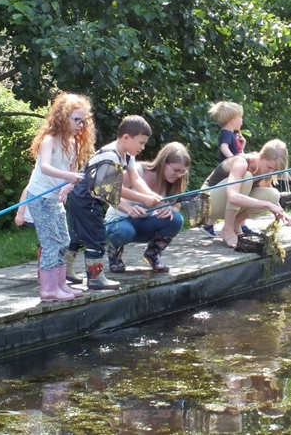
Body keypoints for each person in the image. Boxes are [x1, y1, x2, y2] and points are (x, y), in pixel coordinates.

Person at [65, 115, 162, 290]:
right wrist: (143, 199)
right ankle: (95, 278)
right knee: (96, 236)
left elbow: (136, 179)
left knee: (79, 235)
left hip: (95, 197)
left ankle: (66, 270)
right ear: (126, 137)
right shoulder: (109, 157)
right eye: (140, 142)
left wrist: (151, 195)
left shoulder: (127, 155)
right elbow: (112, 188)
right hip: (85, 198)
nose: (143, 147)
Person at [24, 92, 95, 302]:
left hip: (55, 199)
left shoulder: (73, 143)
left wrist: (68, 185)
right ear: (63, 117)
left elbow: (72, 172)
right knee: (51, 243)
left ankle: (61, 284)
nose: (80, 125)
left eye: (84, 121)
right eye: (77, 120)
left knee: (64, 240)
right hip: (40, 197)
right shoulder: (50, 140)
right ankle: (48, 289)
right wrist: (68, 177)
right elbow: (45, 167)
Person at [104, 142, 191, 273]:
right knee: (124, 232)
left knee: (176, 219)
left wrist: (170, 209)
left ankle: (152, 254)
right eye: (176, 170)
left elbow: (176, 205)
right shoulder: (137, 170)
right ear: (164, 162)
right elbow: (108, 192)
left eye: (182, 171)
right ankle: (114, 253)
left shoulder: (176, 181)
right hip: (121, 221)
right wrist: (127, 208)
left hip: (145, 224)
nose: (178, 175)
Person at [202, 139, 291, 248]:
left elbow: (268, 195)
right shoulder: (241, 162)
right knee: (246, 177)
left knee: (273, 194)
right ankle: (228, 229)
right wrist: (267, 205)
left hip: (223, 204)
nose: (271, 172)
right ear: (261, 156)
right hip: (205, 204)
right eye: (269, 167)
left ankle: (236, 223)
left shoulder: (264, 170)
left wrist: (281, 212)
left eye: (275, 170)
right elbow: (232, 196)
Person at [200, 101, 258, 238]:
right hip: (227, 170)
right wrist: (235, 159)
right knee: (230, 194)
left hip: (234, 168)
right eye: (240, 118)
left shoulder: (233, 135)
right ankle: (208, 224)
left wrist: (242, 147)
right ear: (233, 121)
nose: (242, 120)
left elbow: (239, 153)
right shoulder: (226, 133)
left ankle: (236, 224)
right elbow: (224, 147)